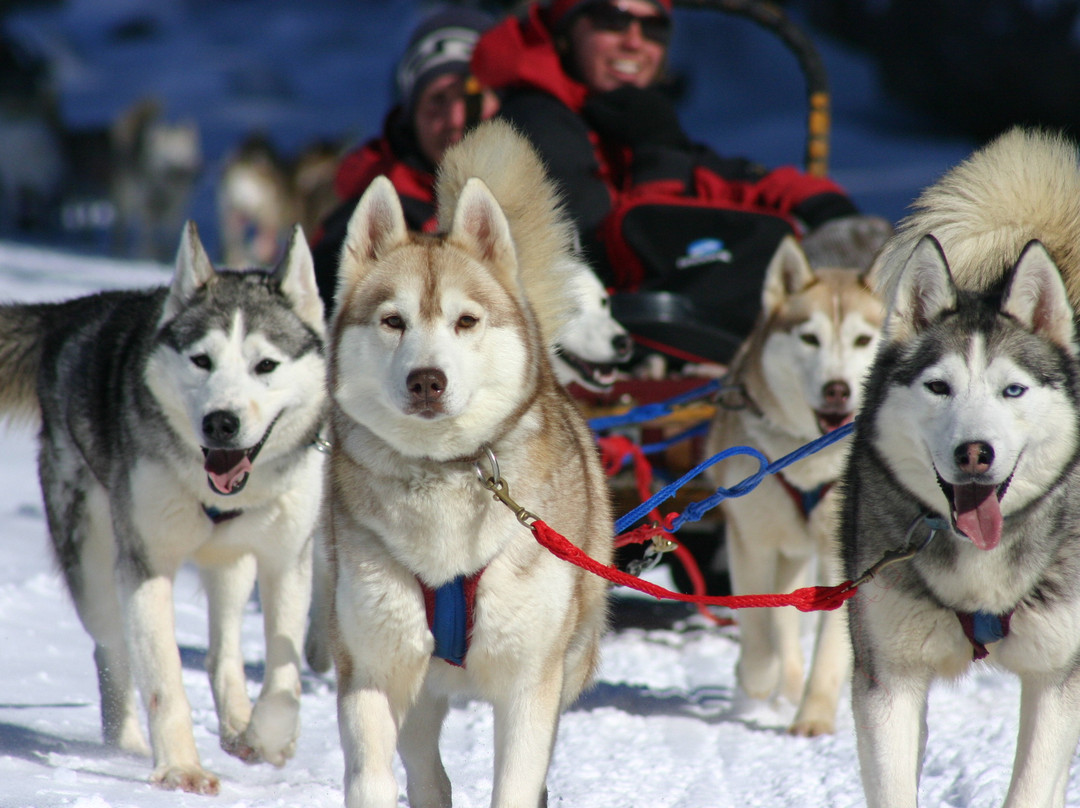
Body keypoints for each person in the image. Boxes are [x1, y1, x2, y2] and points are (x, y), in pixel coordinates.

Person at [470, 0, 885, 363]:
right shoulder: (536, 125)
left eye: (652, 28)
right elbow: (618, 251)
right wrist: (658, 157)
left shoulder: (623, 118)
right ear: (566, 32)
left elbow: (727, 178)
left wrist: (828, 210)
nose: (634, 41)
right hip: (596, 352)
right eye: (611, 19)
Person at [311, 7, 499, 307]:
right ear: (411, 117)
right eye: (437, 100)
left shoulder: (553, 186)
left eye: (472, 98)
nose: (455, 118)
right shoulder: (367, 216)